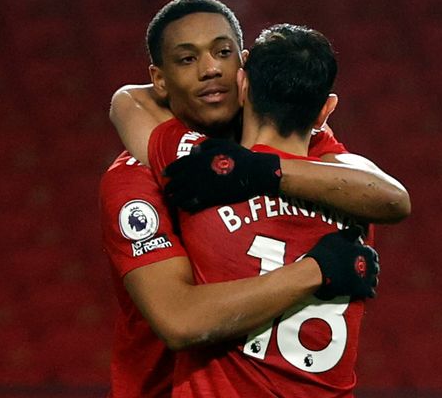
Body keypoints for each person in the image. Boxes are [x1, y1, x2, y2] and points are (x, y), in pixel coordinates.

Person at [101, 0, 405, 397]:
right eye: (187, 59)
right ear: (159, 79)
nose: (211, 69)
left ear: (242, 69)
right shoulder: (135, 178)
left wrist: (257, 172)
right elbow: (178, 319)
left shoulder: (307, 149)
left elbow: (391, 196)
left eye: (222, 52)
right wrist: (317, 270)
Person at [149, 23, 375, 396]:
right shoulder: (358, 204)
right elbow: (390, 195)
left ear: (242, 85)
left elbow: (129, 104)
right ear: (326, 111)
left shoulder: (193, 169)